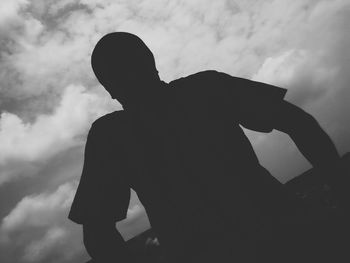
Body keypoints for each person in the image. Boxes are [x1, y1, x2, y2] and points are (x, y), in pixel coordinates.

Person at [68, 32, 340, 263]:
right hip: (287, 233)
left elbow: (98, 232)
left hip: (269, 236)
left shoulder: (111, 135)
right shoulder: (204, 88)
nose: (129, 74)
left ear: (109, 89)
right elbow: (297, 121)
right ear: (151, 61)